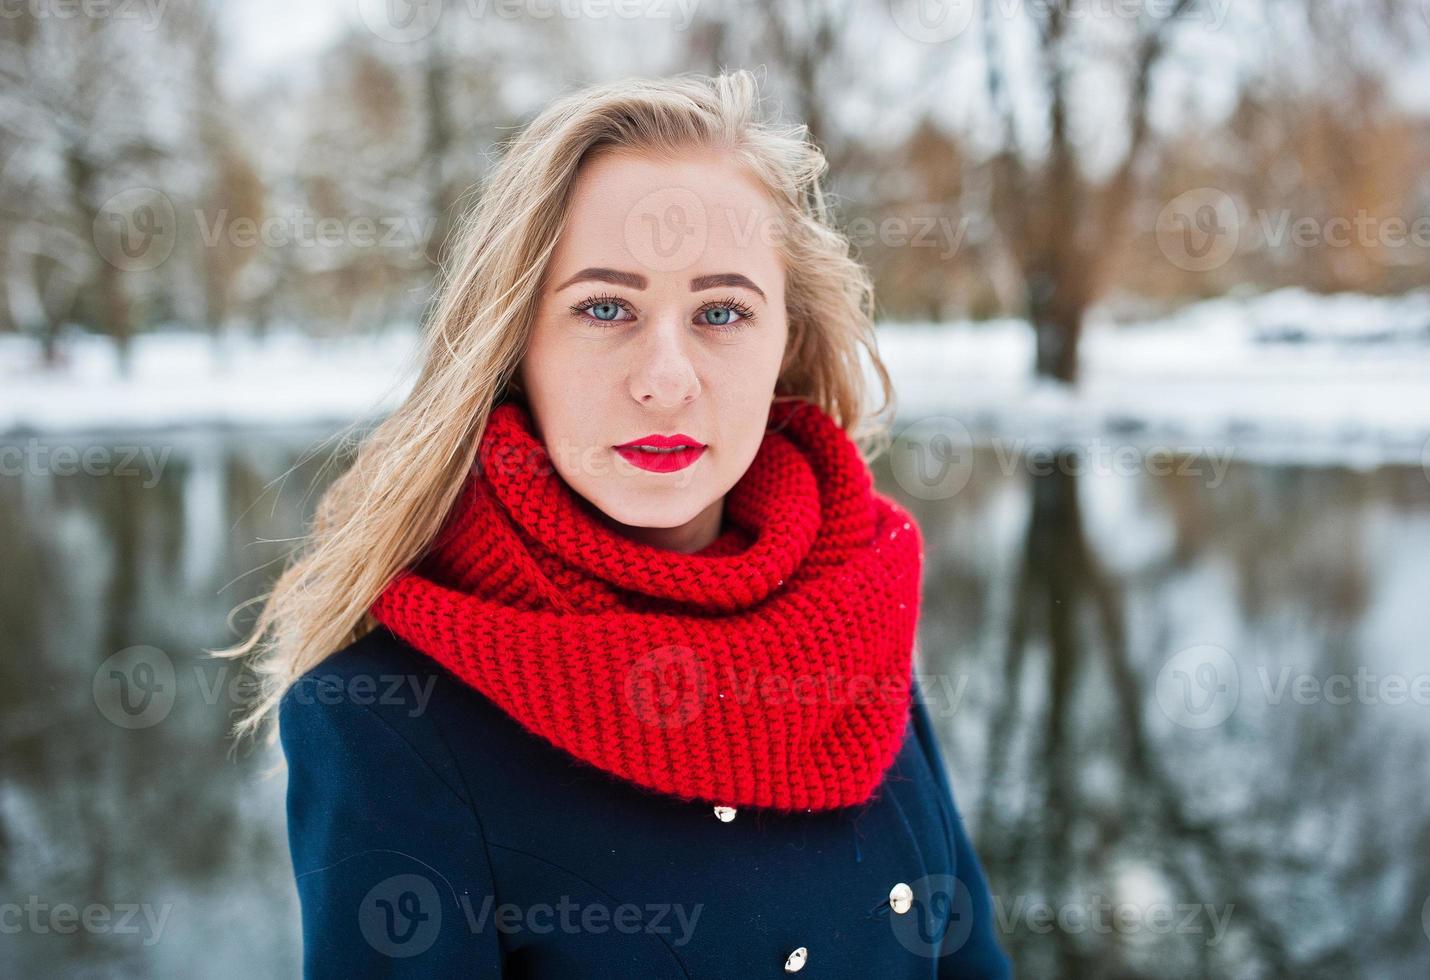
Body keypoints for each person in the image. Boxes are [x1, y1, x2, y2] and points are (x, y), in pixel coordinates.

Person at [220, 69, 1013, 978]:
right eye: (605, 308)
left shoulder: (854, 601)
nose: (666, 378)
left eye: (721, 311)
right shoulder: (390, 722)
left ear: (785, 337)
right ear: (514, 339)